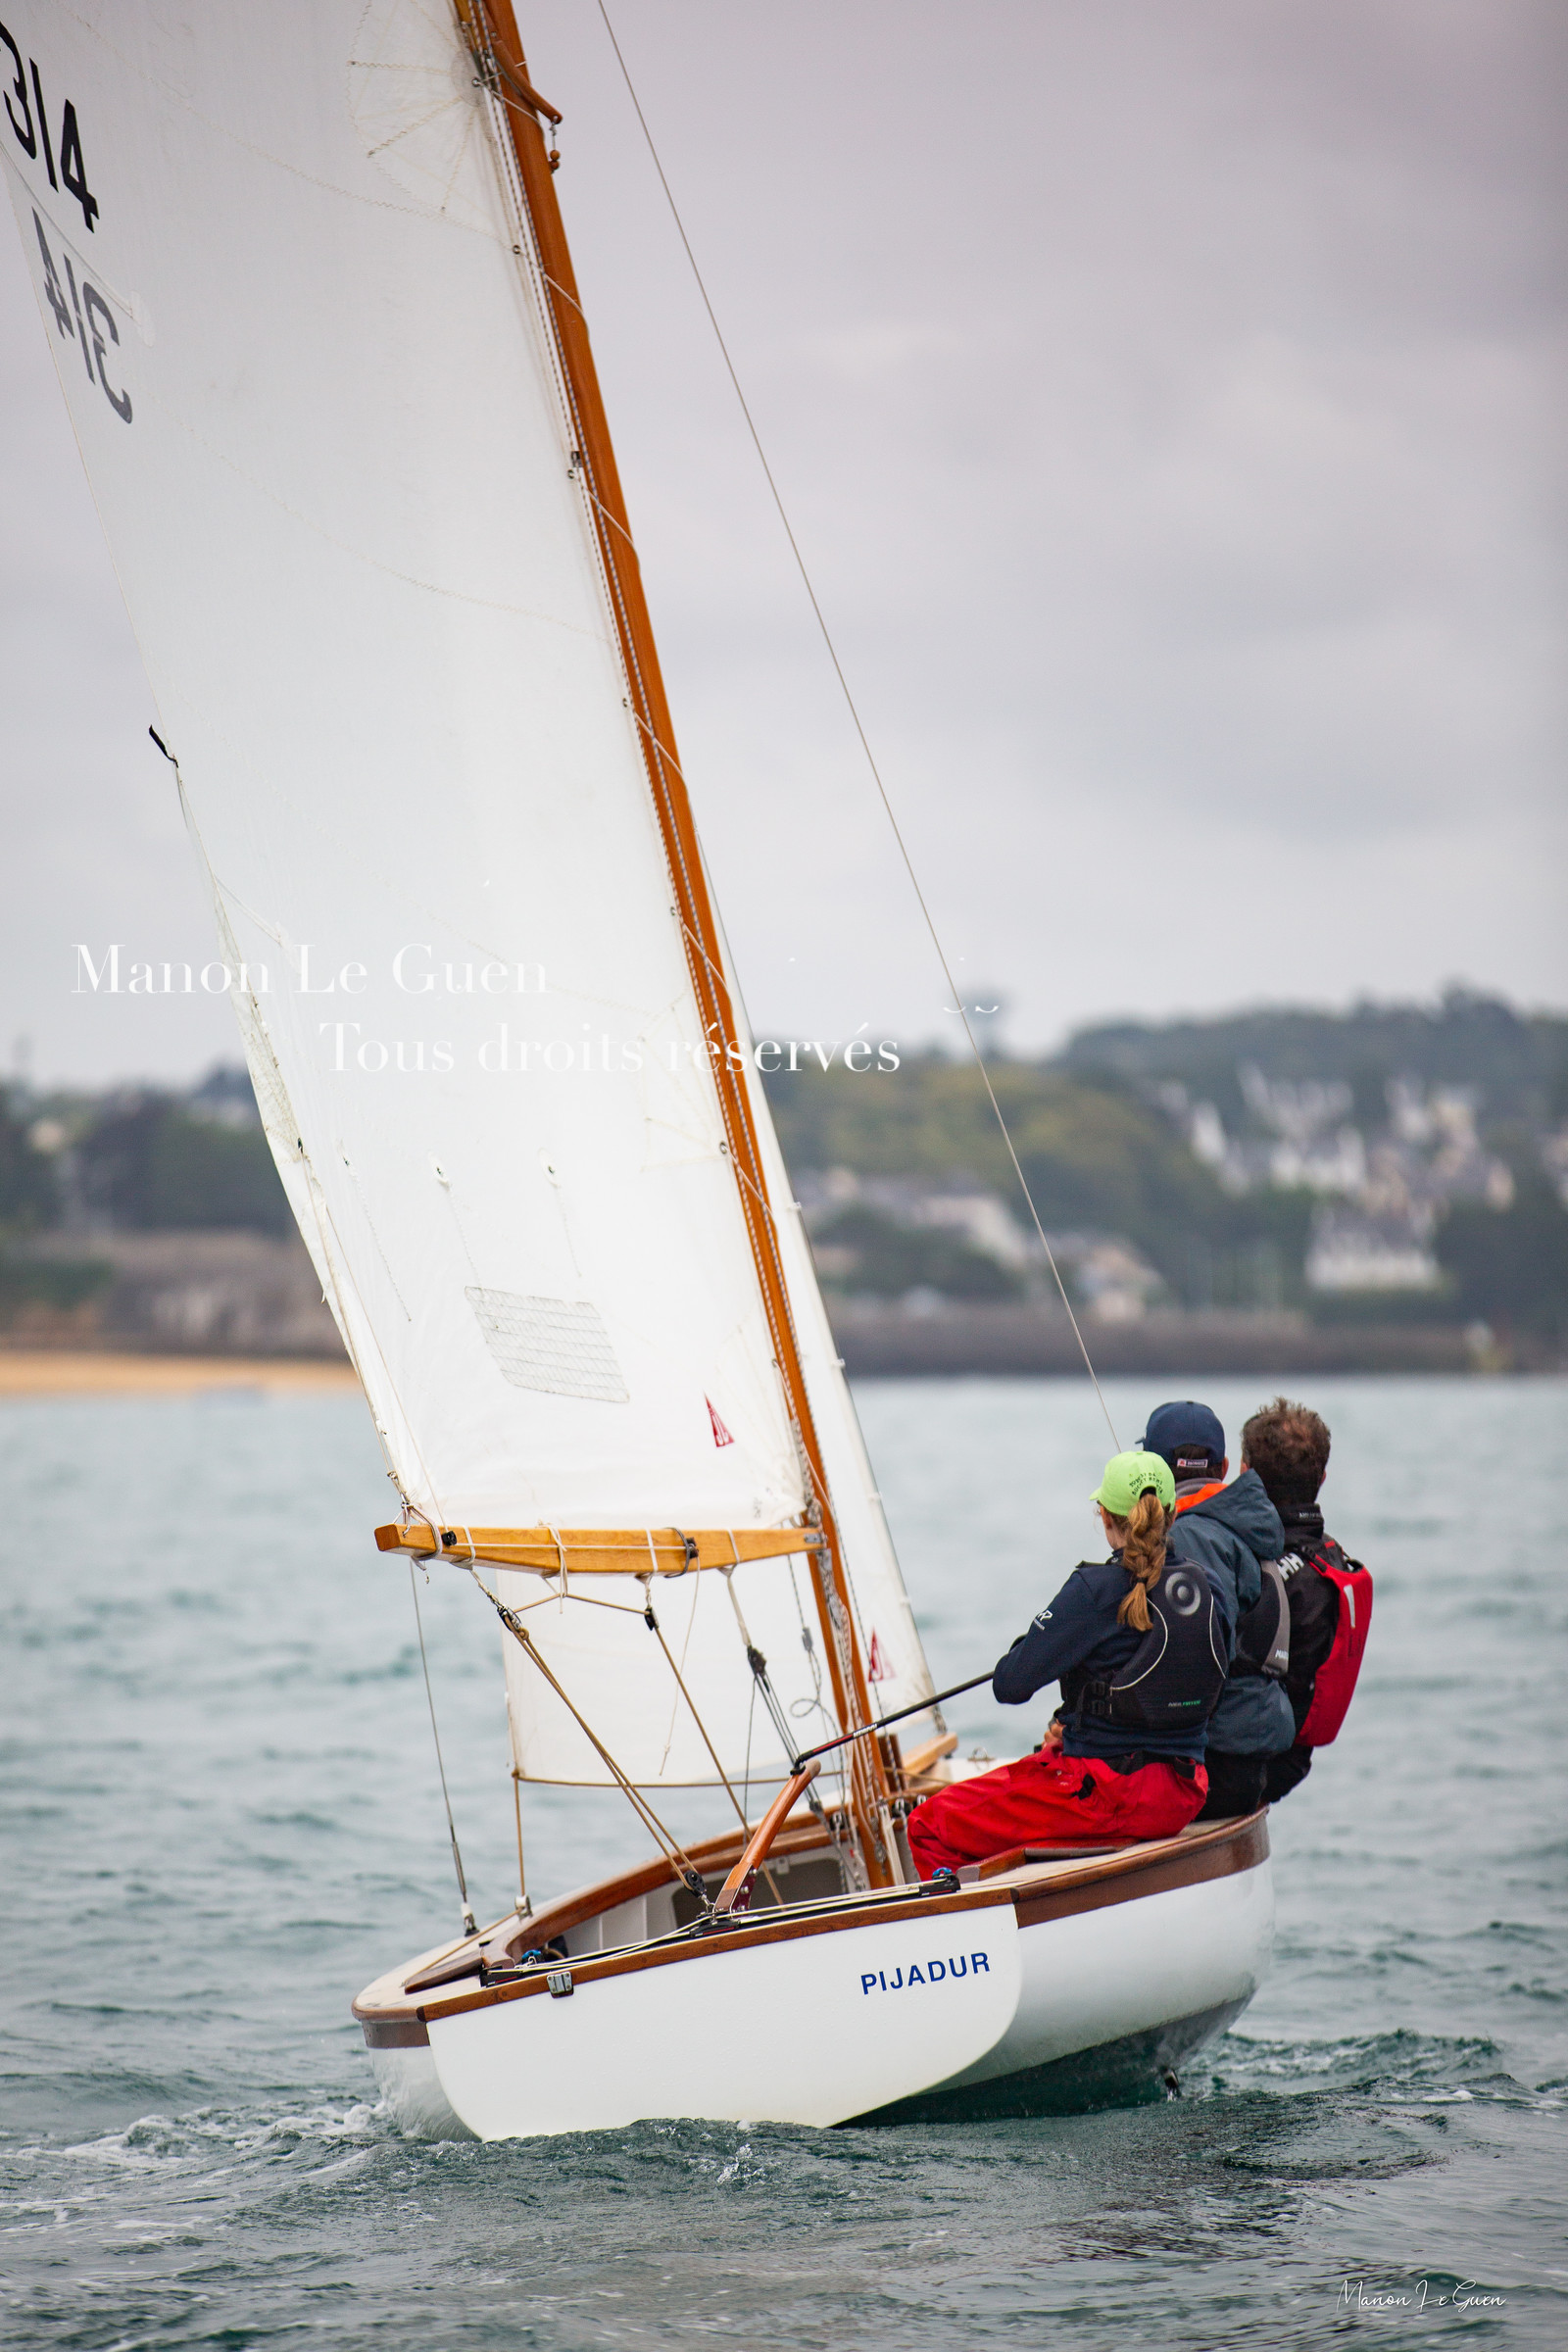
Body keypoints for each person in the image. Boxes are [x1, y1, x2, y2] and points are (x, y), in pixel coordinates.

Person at [906, 1449, 1224, 1874]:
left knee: (928, 1825)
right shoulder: (1208, 1586)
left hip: (1107, 1794)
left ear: (1105, 1517)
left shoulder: (1093, 1590)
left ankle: (983, 1914)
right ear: (1172, 1513)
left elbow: (1010, 1685)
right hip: (1184, 1793)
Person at [1139, 1399, 1295, 1820]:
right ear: (1224, 1468)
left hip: (1214, 1761)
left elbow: (1198, 1661)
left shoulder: (1189, 1538)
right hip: (1245, 1749)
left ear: (1150, 1473)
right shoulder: (1241, 1524)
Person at [1238, 1396, 1373, 1804]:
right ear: (1323, 1477)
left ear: (1244, 1473)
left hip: (1243, 1767)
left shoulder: (1253, 1570)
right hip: (1294, 1760)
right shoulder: (1332, 1557)